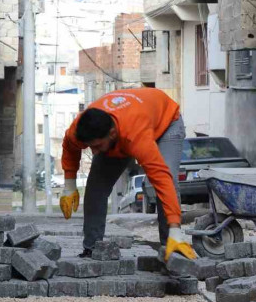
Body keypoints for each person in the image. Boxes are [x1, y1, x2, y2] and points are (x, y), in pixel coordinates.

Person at [59, 88, 196, 261]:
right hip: (135, 116)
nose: (94, 152)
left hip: (166, 122)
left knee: (167, 179)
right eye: (90, 146)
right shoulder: (80, 128)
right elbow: (70, 147)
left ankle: (172, 246)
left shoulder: (136, 137)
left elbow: (162, 180)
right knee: (95, 190)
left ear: (112, 134)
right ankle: (92, 249)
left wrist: (175, 227)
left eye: (97, 146)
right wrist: (69, 185)